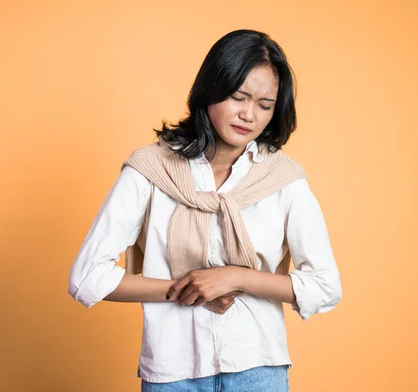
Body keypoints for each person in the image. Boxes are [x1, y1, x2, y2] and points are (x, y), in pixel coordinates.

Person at [68, 29, 342, 391]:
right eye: (238, 97)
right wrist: (186, 289)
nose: (249, 115)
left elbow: (325, 287)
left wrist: (236, 277)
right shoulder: (150, 171)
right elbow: (86, 277)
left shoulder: (283, 180)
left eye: (264, 105)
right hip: (172, 369)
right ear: (210, 90)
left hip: (259, 369)